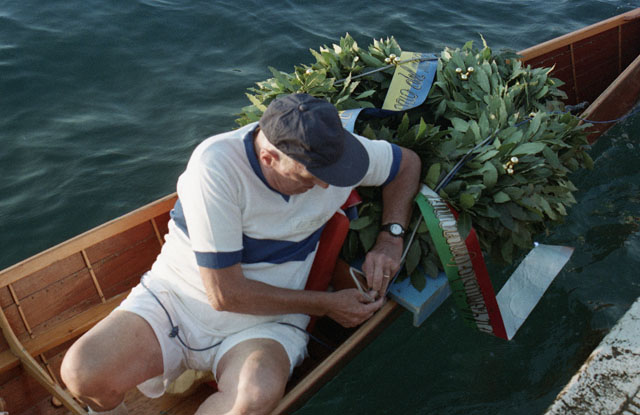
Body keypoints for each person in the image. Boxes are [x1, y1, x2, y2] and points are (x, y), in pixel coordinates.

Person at [60, 93, 421, 415]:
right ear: (268, 157)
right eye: (310, 177)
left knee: (251, 399)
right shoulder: (216, 167)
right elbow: (225, 294)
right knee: (82, 371)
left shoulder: (335, 155)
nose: (328, 184)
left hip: (265, 325)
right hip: (176, 300)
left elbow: (407, 164)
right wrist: (326, 305)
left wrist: (391, 237)